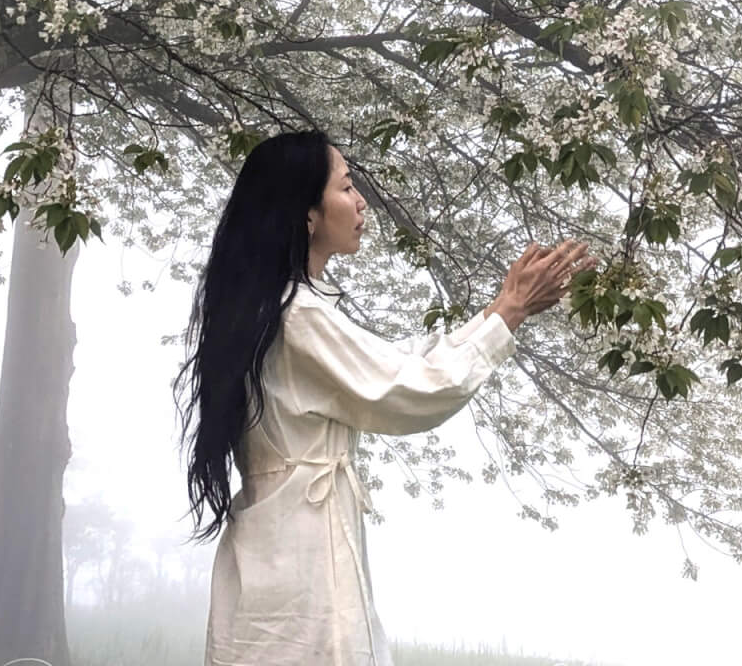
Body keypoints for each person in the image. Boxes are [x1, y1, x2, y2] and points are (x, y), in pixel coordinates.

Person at [176, 129, 596, 666]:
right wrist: (506, 313)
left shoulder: (277, 310)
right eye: (346, 187)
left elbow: (400, 366)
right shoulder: (298, 316)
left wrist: (500, 315)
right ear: (307, 213)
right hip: (304, 561)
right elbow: (412, 390)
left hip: (275, 551)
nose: (360, 202)